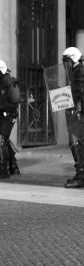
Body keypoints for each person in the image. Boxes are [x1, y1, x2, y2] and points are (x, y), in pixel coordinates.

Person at [0, 59, 21, 179]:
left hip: (8, 116)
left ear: (1, 70)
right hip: (0, 116)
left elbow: (15, 102)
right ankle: (14, 167)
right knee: (5, 140)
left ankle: (4, 170)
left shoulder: (10, 82)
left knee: (1, 141)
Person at [62, 47, 84, 188]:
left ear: (73, 59)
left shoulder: (79, 71)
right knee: (78, 142)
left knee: (76, 142)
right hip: (76, 110)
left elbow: (80, 92)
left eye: (67, 61)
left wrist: (77, 107)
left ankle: (81, 175)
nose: (66, 64)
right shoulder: (76, 71)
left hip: (78, 112)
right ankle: (80, 173)